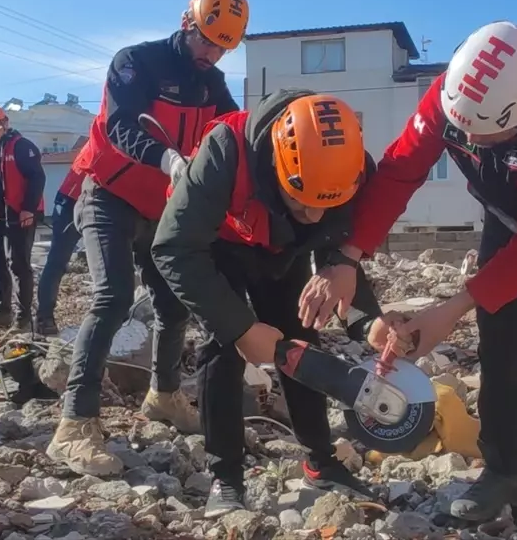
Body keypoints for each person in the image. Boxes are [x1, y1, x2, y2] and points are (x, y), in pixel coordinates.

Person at [299, 22, 517, 540]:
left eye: (489, 133)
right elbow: (398, 172)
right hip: (508, 213)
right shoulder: (451, 99)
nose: (473, 142)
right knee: (500, 334)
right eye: (465, 130)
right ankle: (505, 470)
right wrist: (347, 256)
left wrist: (451, 308)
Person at [152, 90, 388, 517]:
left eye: (325, 204)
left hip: (284, 251)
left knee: (299, 335)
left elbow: (342, 245)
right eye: (301, 201)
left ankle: (320, 459)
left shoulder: (350, 165)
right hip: (218, 246)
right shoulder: (224, 151)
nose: (314, 214)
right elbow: (173, 247)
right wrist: (242, 328)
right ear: (279, 165)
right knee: (221, 347)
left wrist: (367, 321)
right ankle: (225, 475)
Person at [46, 0, 249, 473]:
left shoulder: (212, 83)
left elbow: (231, 136)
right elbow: (119, 127)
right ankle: (74, 424)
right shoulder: (136, 62)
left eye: (224, 48)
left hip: (161, 207)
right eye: (207, 41)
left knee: (173, 302)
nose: (212, 55)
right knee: (113, 296)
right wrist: (167, 158)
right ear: (187, 23)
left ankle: (163, 396)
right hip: (108, 193)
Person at [0, 105, 46, 333]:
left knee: (19, 264)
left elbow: (37, 177)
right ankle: (2, 310)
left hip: (18, 215)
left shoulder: (21, 146)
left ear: (5, 122)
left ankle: (24, 315)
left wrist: (28, 209)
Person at [34, 167, 87, 336]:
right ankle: (44, 317)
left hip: (107, 201)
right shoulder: (107, 144)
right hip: (72, 200)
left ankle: (120, 312)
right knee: (58, 261)